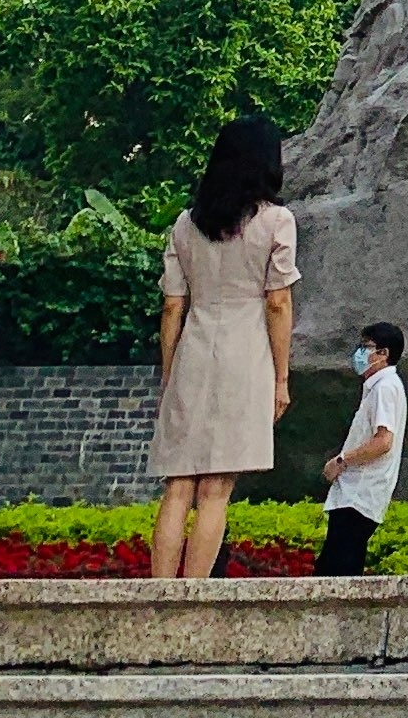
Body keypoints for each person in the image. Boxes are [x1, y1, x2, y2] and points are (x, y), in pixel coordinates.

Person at [148, 118, 298, 581]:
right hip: (245, 355)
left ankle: (157, 593)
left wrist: (171, 372)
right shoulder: (277, 221)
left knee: (177, 487)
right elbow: (277, 301)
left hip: (194, 349)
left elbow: (173, 306)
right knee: (216, 488)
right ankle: (193, 597)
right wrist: (281, 378)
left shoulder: (185, 225)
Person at [316, 321, 408, 576]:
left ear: (384, 354)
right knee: (336, 566)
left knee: (336, 571)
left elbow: (383, 441)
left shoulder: (386, 387)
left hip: (361, 493)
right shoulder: (377, 388)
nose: (360, 353)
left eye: (366, 347)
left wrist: (341, 461)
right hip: (354, 494)